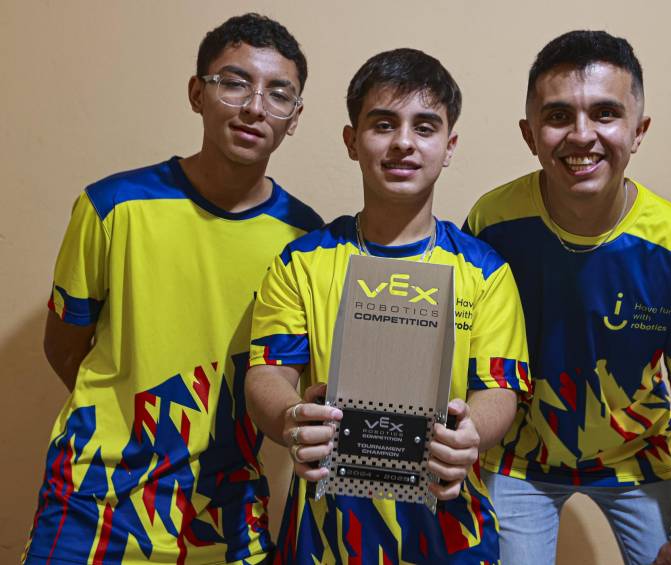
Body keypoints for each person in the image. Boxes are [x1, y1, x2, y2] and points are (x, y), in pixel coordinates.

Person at [23, 13, 322, 565]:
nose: (255, 107)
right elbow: (63, 347)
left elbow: (293, 382)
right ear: (196, 93)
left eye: (279, 94)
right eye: (234, 83)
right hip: (94, 502)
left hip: (226, 511)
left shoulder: (308, 243)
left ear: (295, 117)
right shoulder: (111, 206)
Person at [464, 30, 671, 565]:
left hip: (639, 457)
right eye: (559, 116)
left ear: (639, 131)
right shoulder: (490, 225)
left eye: (606, 114)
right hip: (519, 458)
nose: (582, 135)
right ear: (530, 134)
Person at [245, 48, 530, 564]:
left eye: (425, 127)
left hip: (451, 536)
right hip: (324, 538)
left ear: (449, 146)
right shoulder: (303, 262)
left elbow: (500, 392)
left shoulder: (486, 271)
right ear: (352, 141)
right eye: (383, 124)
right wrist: (291, 418)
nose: (403, 143)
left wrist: (470, 435)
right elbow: (267, 373)